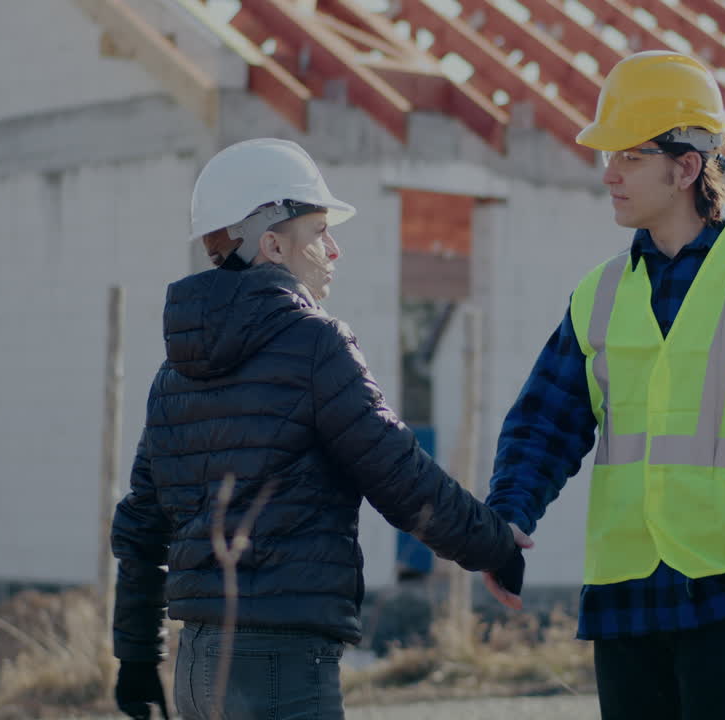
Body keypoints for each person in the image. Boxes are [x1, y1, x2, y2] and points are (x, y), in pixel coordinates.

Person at [110, 138, 529, 720]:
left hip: (195, 668)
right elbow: (398, 473)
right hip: (280, 663)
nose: (334, 250)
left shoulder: (173, 373)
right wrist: (493, 543)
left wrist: (134, 656)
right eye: (319, 232)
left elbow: (141, 526)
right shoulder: (314, 343)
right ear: (273, 243)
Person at [482, 51, 725, 720]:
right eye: (607, 156)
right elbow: (546, 421)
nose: (609, 174)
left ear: (686, 167)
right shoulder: (598, 295)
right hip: (628, 594)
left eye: (629, 156)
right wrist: (507, 519)